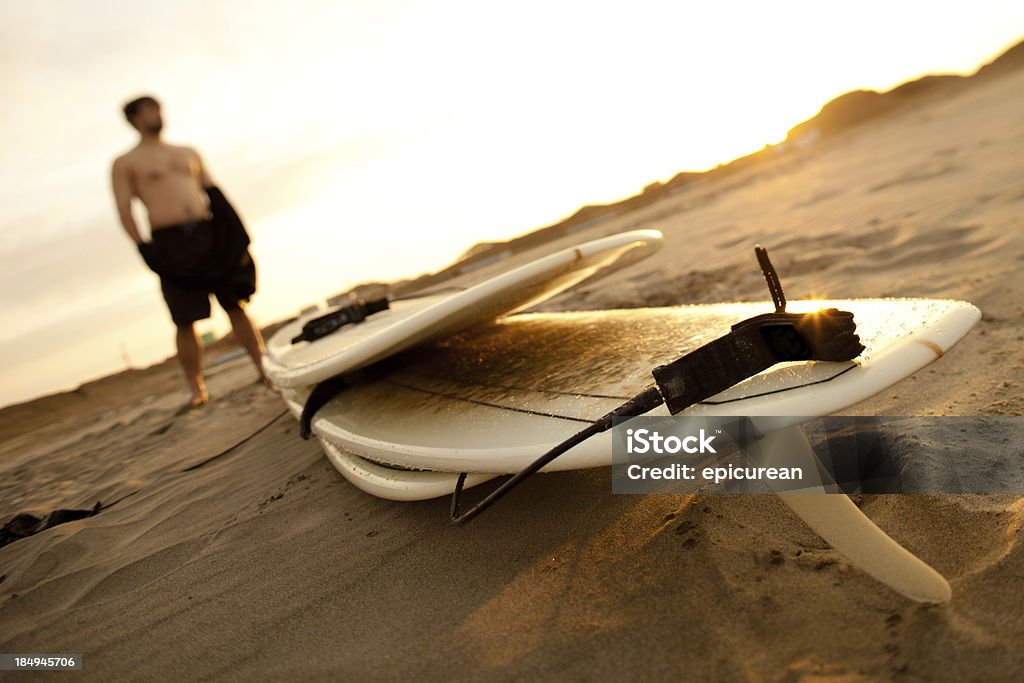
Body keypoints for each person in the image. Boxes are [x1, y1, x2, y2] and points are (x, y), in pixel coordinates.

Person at [111, 95, 269, 409]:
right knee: (184, 319)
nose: (157, 114)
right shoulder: (126, 163)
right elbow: (124, 209)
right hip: (170, 243)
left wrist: (234, 233)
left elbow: (212, 190)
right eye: (149, 110)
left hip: (207, 233)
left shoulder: (186, 152)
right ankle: (196, 388)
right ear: (134, 119)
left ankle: (263, 366)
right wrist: (144, 248)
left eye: (158, 108)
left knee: (234, 304)